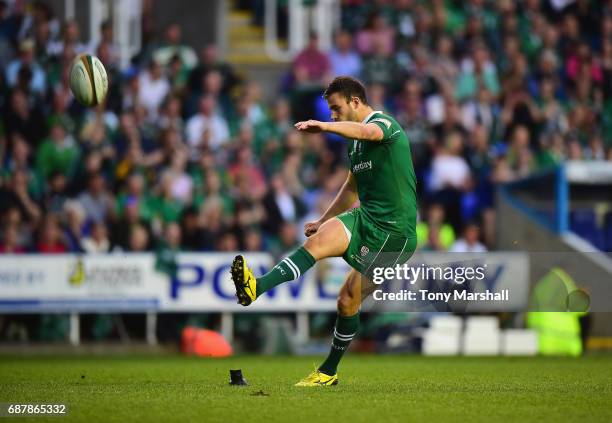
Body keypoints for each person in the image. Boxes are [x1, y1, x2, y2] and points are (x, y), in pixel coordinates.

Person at [230, 76, 418, 386]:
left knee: (347, 300)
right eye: (329, 112)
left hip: (395, 236)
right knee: (321, 241)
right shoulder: (355, 145)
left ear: (355, 102)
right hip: (366, 218)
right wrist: (323, 218)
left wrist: (326, 127)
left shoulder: (384, 123)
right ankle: (255, 288)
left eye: (335, 108)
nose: (332, 115)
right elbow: (351, 187)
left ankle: (328, 371)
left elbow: (369, 131)